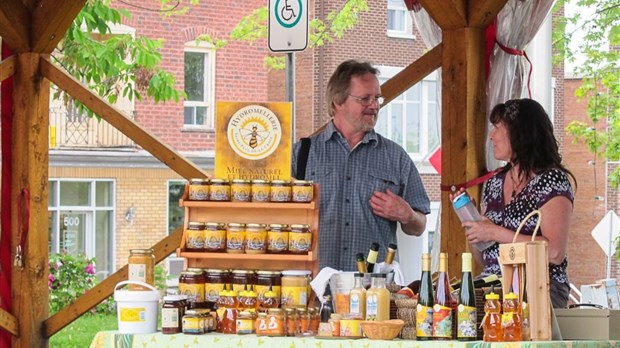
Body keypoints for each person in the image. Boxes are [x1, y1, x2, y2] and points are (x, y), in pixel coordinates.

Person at [291, 59, 431, 271]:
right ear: (338, 101)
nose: (374, 106)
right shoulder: (302, 154)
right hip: (312, 289)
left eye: (377, 98)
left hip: (373, 293)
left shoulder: (396, 157)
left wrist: (408, 214)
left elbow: (419, 227)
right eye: (365, 98)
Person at [454, 98, 576, 308]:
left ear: (520, 133)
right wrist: (474, 226)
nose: (491, 136)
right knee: (450, 303)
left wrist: (494, 232)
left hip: (538, 286)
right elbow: (486, 259)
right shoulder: (494, 183)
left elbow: (555, 252)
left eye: (497, 128)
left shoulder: (551, 180)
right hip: (494, 284)